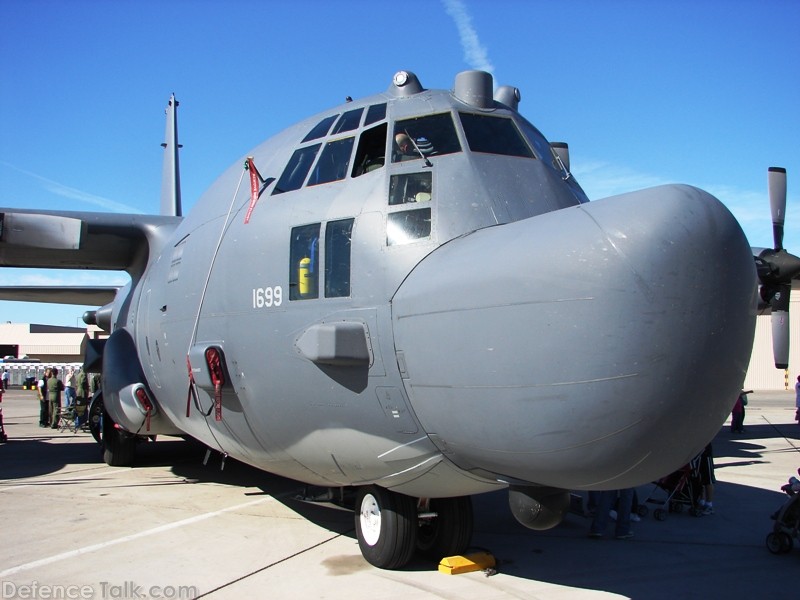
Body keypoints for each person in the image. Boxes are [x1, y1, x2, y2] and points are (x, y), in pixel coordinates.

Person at [696, 443, 716, 515]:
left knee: (708, 479)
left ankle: (709, 504)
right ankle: (702, 501)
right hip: (697, 453)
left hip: (706, 453)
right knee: (698, 477)